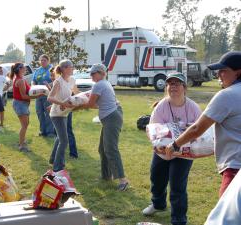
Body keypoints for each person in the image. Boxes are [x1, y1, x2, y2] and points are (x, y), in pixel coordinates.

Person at [164, 51, 241, 197]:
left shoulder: (227, 95)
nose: (218, 75)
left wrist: (175, 145)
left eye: (223, 71)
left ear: (238, 72)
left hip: (236, 167)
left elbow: (197, 128)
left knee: (228, 217)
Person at [142, 72, 202, 225]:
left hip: (184, 154)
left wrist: (185, 143)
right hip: (162, 153)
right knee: (157, 179)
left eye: (177, 83)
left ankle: (179, 220)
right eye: (170, 83)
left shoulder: (193, 108)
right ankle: (158, 204)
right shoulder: (162, 105)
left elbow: (200, 132)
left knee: (177, 186)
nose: (173, 86)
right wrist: (158, 144)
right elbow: (153, 129)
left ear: (184, 87)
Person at [82, 63, 129, 191]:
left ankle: (123, 180)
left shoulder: (99, 84)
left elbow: (90, 104)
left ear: (101, 73)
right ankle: (106, 176)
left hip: (111, 118)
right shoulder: (104, 83)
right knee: (102, 149)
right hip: (112, 115)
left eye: (94, 73)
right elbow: (98, 103)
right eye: (91, 73)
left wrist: (72, 104)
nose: (91, 75)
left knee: (111, 149)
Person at [47, 59, 79, 172]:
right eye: (71, 66)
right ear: (65, 68)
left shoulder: (72, 80)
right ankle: (58, 167)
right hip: (56, 114)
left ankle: (52, 160)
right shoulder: (58, 81)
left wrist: (85, 98)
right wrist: (62, 103)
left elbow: (76, 93)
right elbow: (49, 98)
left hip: (65, 113)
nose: (73, 68)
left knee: (60, 138)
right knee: (64, 140)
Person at [10, 62, 41, 152]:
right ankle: (21, 145)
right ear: (20, 69)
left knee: (26, 124)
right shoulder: (20, 80)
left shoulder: (21, 78)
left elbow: (28, 91)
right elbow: (23, 96)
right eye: (24, 67)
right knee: (24, 125)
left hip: (21, 104)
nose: (25, 69)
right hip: (20, 104)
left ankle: (22, 141)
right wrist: (37, 96)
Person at [32, 54, 54, 137]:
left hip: (48, 94)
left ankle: (50, 132)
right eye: (41, 60)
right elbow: (33, 80)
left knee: (48, 112)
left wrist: (48, 85)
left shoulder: (52, 69)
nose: (43, 62)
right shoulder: (37, 70)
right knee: (39, 112)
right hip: (38, 94)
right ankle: (42, 131)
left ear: (48, 61)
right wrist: (33, 86)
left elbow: (56, 80)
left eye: (44, 60)